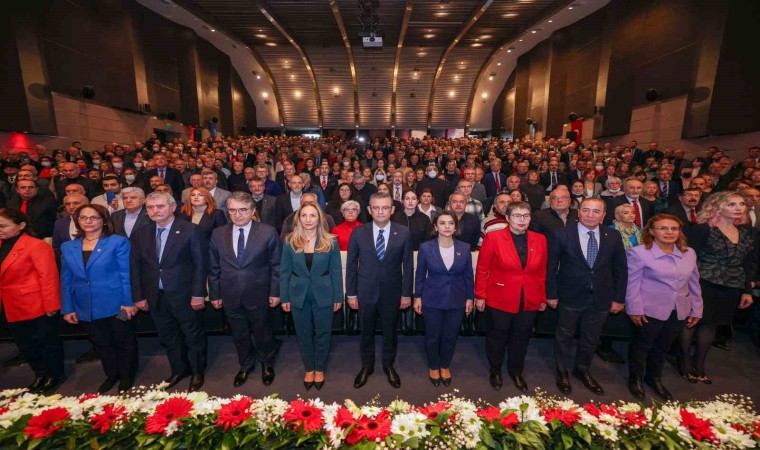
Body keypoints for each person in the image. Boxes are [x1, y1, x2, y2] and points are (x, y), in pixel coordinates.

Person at [547, 197, 628, 395]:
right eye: (586, 210)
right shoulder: (562, 234)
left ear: (603, 215)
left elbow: (621, 269)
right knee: (564, 335)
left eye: (596, 211)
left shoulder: (613, 235)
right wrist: (551, 294)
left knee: (591, 338)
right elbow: (550, 268)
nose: (590, 215)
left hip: (601, 297)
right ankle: (563, 371)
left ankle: (582, 369)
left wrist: (619, 298)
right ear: (578, 212)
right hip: (570, 295)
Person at [130, 191, 209, 392]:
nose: (155, 211)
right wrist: (138, 296)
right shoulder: (141, 234)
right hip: (155, 296)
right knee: (169, 337)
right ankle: (179, 370)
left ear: (172, 207)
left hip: (185, 296)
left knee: (193, 336)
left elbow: (201, 265)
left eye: (160, 206)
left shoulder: (191, 230)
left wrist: (198, 294)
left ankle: (198, 372)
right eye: (150, 207)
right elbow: (136, 267)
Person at [60, 204, 138, 393]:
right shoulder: (68, 246)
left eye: (93, 217)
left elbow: (125, 274)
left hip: (116, 303)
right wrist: (68, 308)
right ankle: (112, 374)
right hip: (84, 305)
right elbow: (66, 279)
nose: (88, 221)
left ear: (103, 221)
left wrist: (128, 302)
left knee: (123, 340)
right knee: (101, 343)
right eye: (83, 217)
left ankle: (127, 375)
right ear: (77, 221)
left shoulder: (117, 242)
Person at [679, 191, 756, 384]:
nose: (739, 208)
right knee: (691, 322)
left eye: (741, 204)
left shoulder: (746, 232)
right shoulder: (702, 230)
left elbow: (747, 262)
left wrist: (747, 290)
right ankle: (685, 361)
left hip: (731, 286)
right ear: (717, 207)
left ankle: (700, 364)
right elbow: (686, 258)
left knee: (711, 324)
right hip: (701, 283)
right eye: (732, 204)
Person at [625, 214, 703, 401]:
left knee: (663, 347)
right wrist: (634, 308)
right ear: (651, 231)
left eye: (674, 228)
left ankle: (654, 378)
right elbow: (632, 283)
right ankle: (635, 377)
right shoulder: (639, 252)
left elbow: (694, 282)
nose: (669, 232)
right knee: (642, 345)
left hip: (679, 309)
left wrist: (697, 309)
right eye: (663, 228)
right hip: (648, 309)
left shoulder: (689, 253)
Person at [208, 192, 282, 388]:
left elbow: (277, 266)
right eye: (232, 210)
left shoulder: (268, 232)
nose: (237, 215)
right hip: (229, 293)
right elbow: (213, 267)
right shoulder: (218, 233)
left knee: (262, 331)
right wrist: (214, 294)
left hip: (259, 293)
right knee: (239, 333)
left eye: (242, 210)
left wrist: (275, 292)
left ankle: (267, 363)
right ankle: (245, 364)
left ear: (252, 211)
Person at [475, 201, 547, 392]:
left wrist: (542, 297)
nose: (522, 220)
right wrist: (480, 295)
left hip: (529, 297)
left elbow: (541, 271)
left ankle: (516, 371)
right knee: (497, 335)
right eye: (517, 216)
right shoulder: (494, 238)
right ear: (507, 218)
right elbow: (482, 269)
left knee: (521, 337)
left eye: (526, 216)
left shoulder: (540, 239)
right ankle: (495, 370)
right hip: (500, 295)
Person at [346, 193, 413, 389]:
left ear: (392, 210)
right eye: (376, 208)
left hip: (392, 293)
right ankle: (367, 366)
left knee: (390, 332)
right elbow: (351, 266)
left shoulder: (403, 233)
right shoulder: (359, 233)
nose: (381, 211)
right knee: (365, 331)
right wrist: (351, 293)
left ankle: (388, 365)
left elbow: (408, 266)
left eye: (385, 207)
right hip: (365, 291)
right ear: (369, 210)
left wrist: (406, 293)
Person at [0, 208, 64, 393]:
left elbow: (48, 277)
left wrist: (51, 305)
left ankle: (55, 374)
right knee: (25, 344)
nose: (0, 229)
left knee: (46, 342)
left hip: (36, 304)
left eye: (4, 226)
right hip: (10, 305)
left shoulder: (36, 246)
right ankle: (40, 374)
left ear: (21, 225)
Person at [280, 203, 343, 390]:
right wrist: (284, 297)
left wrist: (338, 297)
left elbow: (336, 271)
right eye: (304, 215)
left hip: (324, 293)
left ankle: (320, 367)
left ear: (319, 219)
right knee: (303, 333)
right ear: (298, 219)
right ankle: (309, 368)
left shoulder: (331, 241)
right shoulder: (290, 240)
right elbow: (284, 271)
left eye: (312, 216)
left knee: (323, 333)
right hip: (297, 294)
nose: (308, 219)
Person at [414, 211, 474, 387]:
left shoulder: (464, 247)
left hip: (457, 299)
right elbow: (420, 275)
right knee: (433, 335)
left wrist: (470, 297)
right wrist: (417, 296)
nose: (447, 226)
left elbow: (468, 275)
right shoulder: (426, 248)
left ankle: (445, 365)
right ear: (435, 226)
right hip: (432, 298)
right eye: (442, 223)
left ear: (455, 227)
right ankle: (433, 365)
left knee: (450, 335)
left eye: (450, 223)